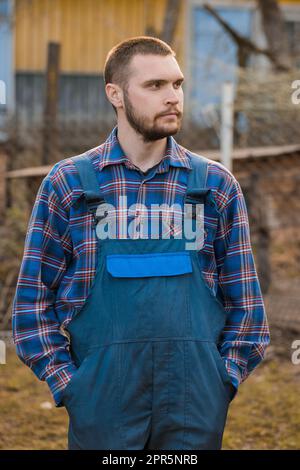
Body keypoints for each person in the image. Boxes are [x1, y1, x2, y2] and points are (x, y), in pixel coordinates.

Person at [12, 36, 270, 450]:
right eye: (155, 86)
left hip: (193, 410)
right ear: (115, 94)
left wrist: (223, 381)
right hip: (102, 409)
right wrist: (71, 387)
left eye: (177, 84)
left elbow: (248, 310)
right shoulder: (70, 185)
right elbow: (30, 308)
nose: (172, 97)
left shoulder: (215, 187)